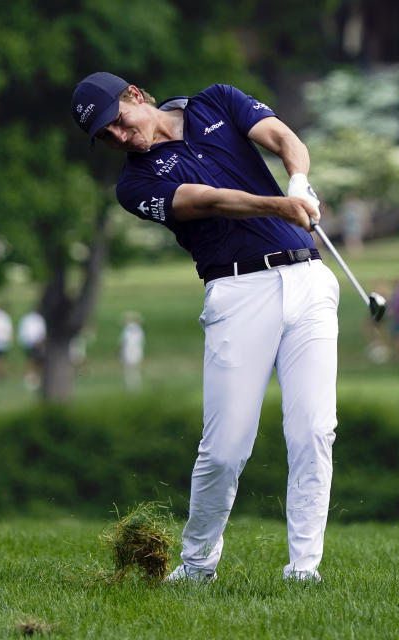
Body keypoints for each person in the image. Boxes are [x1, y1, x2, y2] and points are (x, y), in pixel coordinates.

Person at [71, 73, 338, 583]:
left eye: (119, 123)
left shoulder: (216, 101)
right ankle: (197, 567)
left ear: (135, 95)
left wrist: (298, 182)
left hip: (307, 279)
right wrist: (278, 205)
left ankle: (305, 570)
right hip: (237, 294)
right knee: (225, 448)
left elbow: (284, 139)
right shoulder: (134, 186)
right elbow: (207, 199)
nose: (121, 139)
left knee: (313, 431)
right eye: (107, 138)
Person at [17, 309, 46, 391]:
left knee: (31, 361)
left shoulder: (26, 318)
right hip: (36, 343)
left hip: (27, 342)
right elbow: (40, 331)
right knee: (36, 362)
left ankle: (32, 379)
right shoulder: (38, 319)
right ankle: (34, 379)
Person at [119, 312, 145, 390]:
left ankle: (130, 386)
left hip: (128, 351)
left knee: (127, 370)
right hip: (137, 351)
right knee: (135, 370)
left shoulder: (127, 329)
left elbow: (123, 341)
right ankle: (136, 385)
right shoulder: (139, 330)